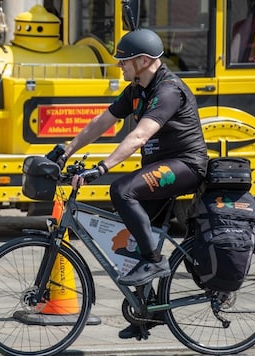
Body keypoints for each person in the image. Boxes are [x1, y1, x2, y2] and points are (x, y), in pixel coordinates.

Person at [46, 28, 209, 339]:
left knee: (121, 189)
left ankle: (154, 261)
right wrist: (66, 151)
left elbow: (139, 136)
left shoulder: (168, 90)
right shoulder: (137, 88)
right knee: (133, 236)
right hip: (160, 168)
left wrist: (103, 167)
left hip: (185, 166)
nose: (119, 65)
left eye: (124, 60)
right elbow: (103, 121)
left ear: (144, 60)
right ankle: (147, 311)